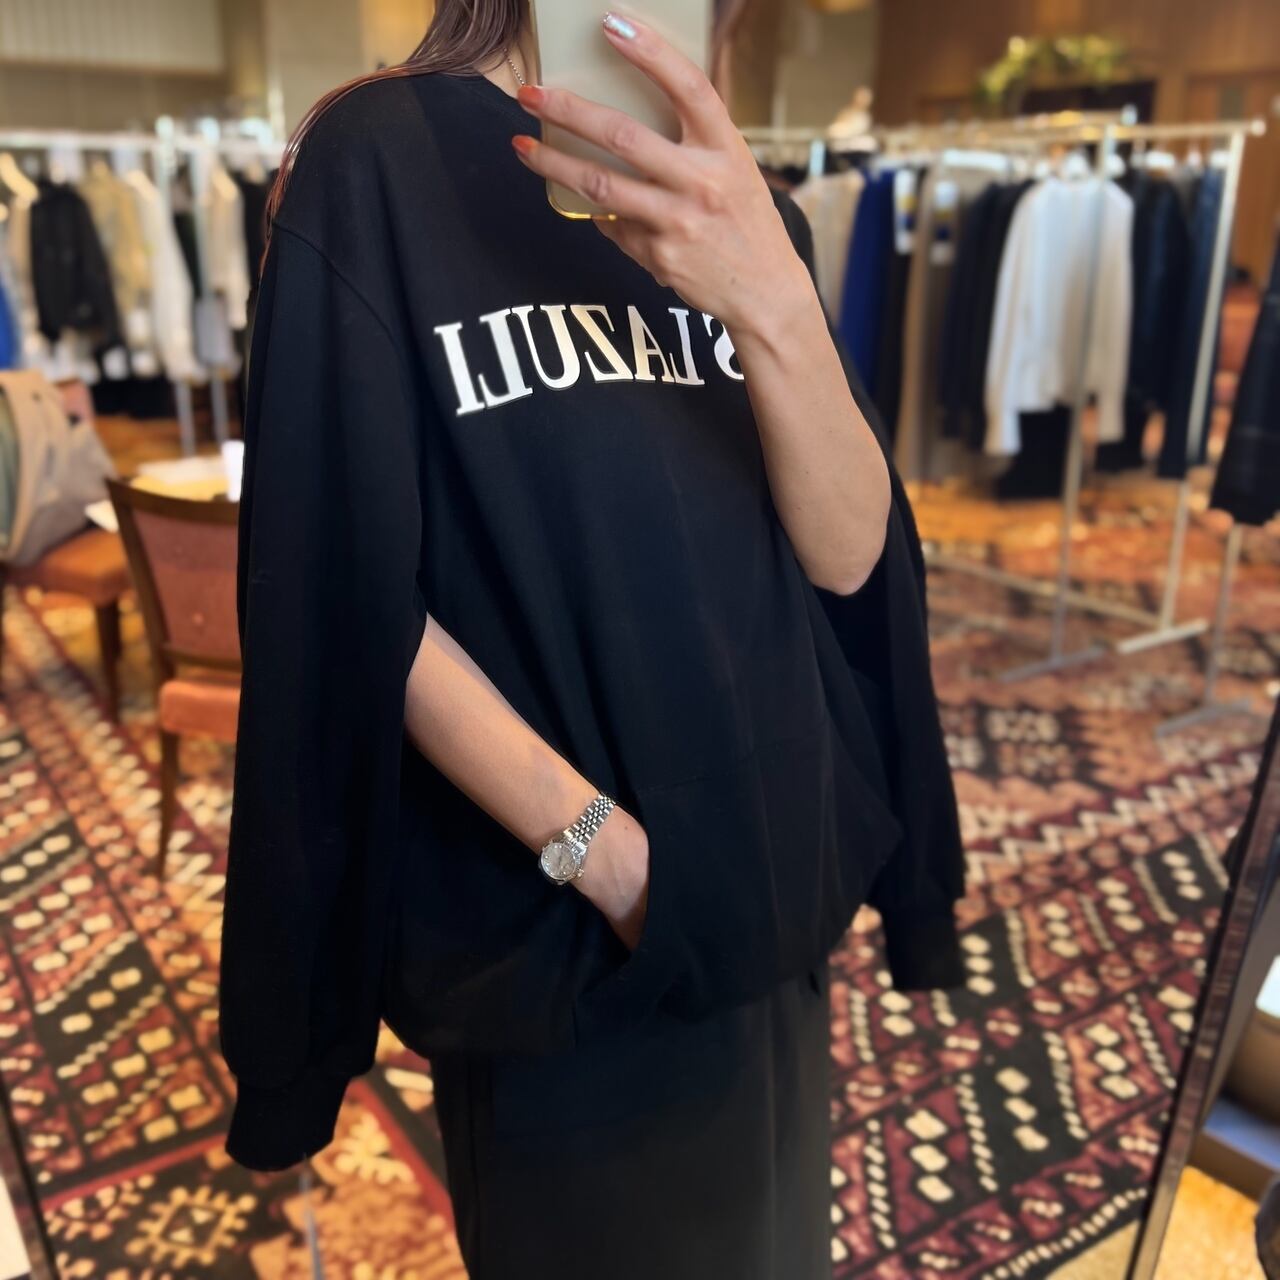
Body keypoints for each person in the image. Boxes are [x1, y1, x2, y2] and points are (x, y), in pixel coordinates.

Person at [218, 4, 965, 1277]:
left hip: (776, 890)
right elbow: (347, 581)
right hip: (570, 939)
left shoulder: (739, 203)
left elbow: (848, 559)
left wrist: (773, 299)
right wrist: (607, 860)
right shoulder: (381, 161)